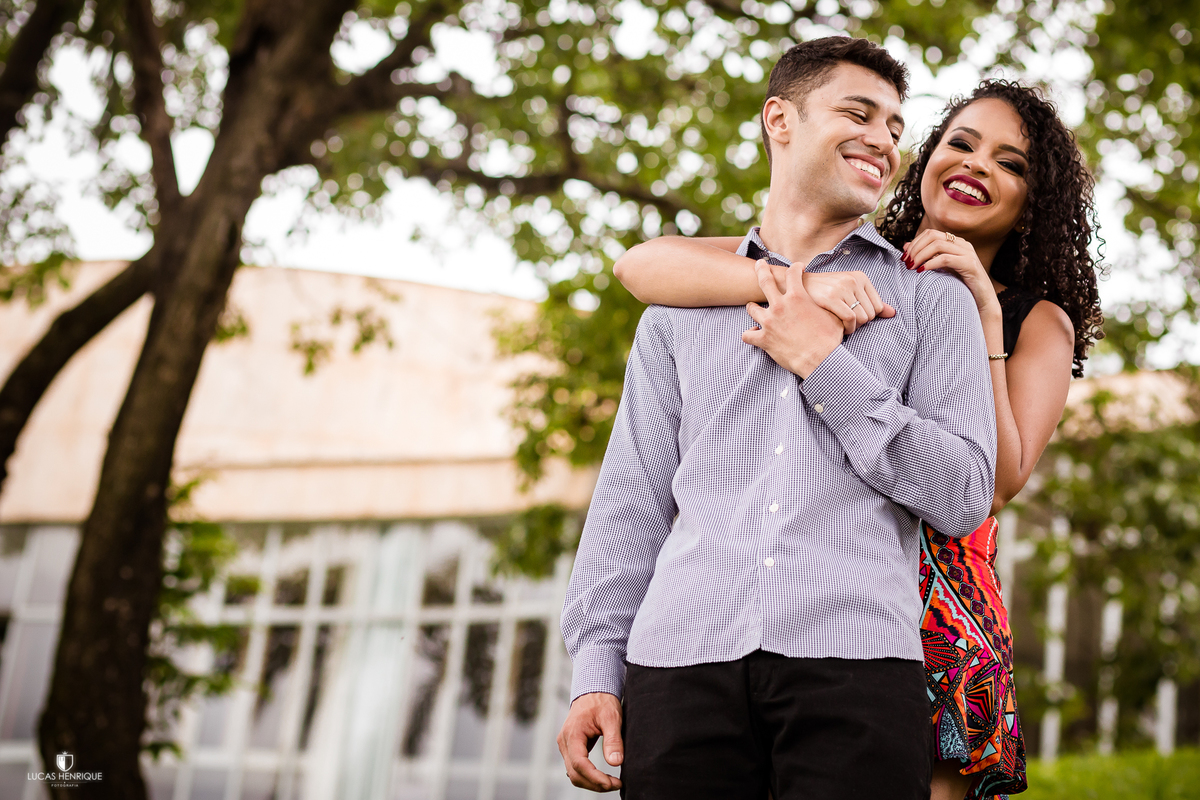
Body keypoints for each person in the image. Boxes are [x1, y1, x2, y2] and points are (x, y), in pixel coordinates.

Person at [611, 80, 1105, 800]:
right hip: (797, 590)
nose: (977, 164)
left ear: (1034, 201)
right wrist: (802, 285)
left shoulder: (1035, 319)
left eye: (1011, 164)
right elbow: (644, 265)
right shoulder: (855, 265)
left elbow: (996, 483)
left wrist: (983, 317)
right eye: (961, 143)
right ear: (926, 158)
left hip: (940, 607)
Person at [557, 36, 1000, 800]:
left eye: (895, 126)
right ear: (780, 120)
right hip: (677, 668)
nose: (883, 139)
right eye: (858, 113)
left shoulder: (931, 298)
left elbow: (964, 494)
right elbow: (632, 499)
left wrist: (826, 366)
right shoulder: (677, 313)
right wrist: (596, 667)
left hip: (860, 669)